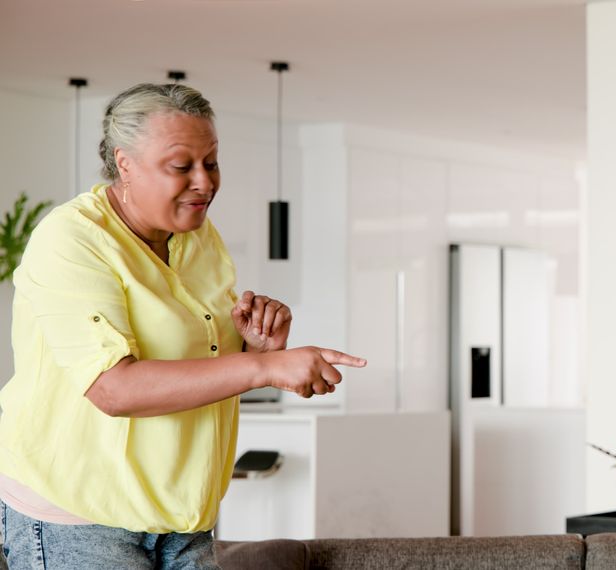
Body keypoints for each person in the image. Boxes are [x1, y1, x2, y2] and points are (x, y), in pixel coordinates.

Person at [0, 83, 366, 569]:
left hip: (184, 515)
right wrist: (264, 370)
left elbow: (207, 366)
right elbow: (114, 388)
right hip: (81, 517)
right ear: (123, 162)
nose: (205, 182)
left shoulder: (199, 238)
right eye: (181, 166)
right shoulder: (71, 239)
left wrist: (255, 348)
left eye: (211, 162)